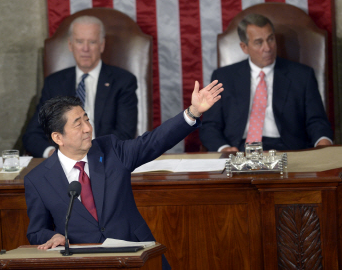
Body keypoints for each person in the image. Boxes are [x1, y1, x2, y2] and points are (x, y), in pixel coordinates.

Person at [24, 80, 223, 270]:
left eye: (87, 119)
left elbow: (154, 142)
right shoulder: (38, 179)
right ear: (58, 137)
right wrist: (53, 236)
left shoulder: (111, 150)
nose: (87, 129)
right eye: (78, 124)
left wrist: (193, 112)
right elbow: (36, 231)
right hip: (83, 262)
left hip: (137, 256)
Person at [200, 13, 333, 152]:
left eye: (270, 39)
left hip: (288, 150)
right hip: (238, 150)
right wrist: (225, 149)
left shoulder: (302, 76)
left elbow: (317, 121)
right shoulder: (223, 77)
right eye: (259, 42)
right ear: (244, 47)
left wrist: (323, 143)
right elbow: (210, 126)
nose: (268, 48)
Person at [23, 15, 138, 158]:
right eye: (79, 42)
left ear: (102, 45)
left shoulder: (123, 81)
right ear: (70, 45)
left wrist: (91, 155)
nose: (85, 49)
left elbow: (125, 133)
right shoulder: (54, 83)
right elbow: (33, 134)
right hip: (62, 166)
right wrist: (53, 154)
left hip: (105, 161)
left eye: (92, 42)